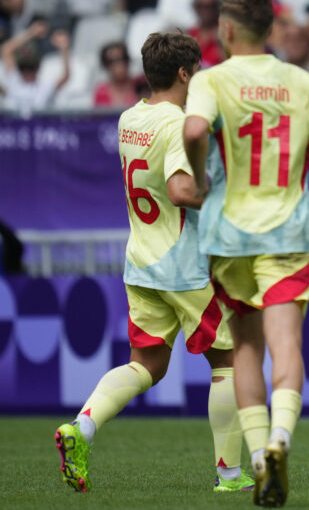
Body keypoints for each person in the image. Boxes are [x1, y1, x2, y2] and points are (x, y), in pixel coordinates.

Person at [54, 32, 253, 494]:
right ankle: (229, 474)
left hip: (141, 258)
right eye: (197, 70)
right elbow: (183, 190)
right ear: (185, 73)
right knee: (228, 361)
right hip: (184, 262)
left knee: (147, 363)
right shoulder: (178, 123)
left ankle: (80, 429)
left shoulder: (130, 117)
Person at [183, 0, 309, 507]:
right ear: (272, 30)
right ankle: (281, 439)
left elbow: (193, 129)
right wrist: (303, 146)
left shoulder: (212, 78)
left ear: (228, 30)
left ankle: (259, 458)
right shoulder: (301, 82)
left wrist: (197, 177)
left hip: (229, 235)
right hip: (286, 233)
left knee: (246, 350)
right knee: (287, 346)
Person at [1, 20, 70, 116]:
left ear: (38, 67)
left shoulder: (45, 86)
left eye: (31, 67)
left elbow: (65, 76)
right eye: (23, 67)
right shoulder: (13, 79)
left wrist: (64, 49)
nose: (27, 72)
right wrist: (31, 33)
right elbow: (6, 50)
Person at [188, 0, 226, 69]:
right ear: (195, 7)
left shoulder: (227, 36)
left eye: (212, 5)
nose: (207, 10)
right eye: (201, 5)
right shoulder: (189, 35)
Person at [93, 42, 138, 108]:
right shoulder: (101, 92)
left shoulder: (140, 86)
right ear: (105, 65)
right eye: (112, 61)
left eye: (122, 59)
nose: (118, 65)